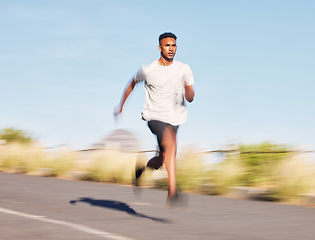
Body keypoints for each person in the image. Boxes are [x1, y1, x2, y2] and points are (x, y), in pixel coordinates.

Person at [114, 32, 195, 207]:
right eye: (167, 45)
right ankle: (172, 191)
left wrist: (189, 94)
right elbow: (132, 84)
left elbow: (190, 95)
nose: (171, 49)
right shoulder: (148, 69)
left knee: (161, 160)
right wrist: (121, 105)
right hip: (154, 116)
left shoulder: (184, 69)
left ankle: (141, 169)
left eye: (173, 45)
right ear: (160, 47)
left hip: (175, 118)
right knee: (171, 144)